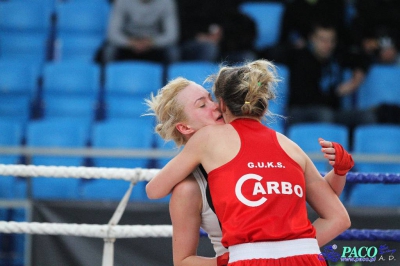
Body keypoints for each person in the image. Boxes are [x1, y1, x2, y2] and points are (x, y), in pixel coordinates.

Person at [146, 60, 352, 265]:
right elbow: (183, 261)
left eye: (211, 98)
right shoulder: (189, 187)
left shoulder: (277, 145)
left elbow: (330, 207)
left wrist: (287, 250)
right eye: (202, 105)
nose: (215, 106)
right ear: (185, 127)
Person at [101, 0, 180, 64]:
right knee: (109, 50)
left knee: (173, 52)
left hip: (153, 42)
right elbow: (112, 34)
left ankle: (172, 82)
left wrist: (151, 42)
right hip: (129, 42)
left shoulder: (167, 2)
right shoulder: (122, 1)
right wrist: (130, 43)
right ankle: (106, 81)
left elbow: (172, 35)